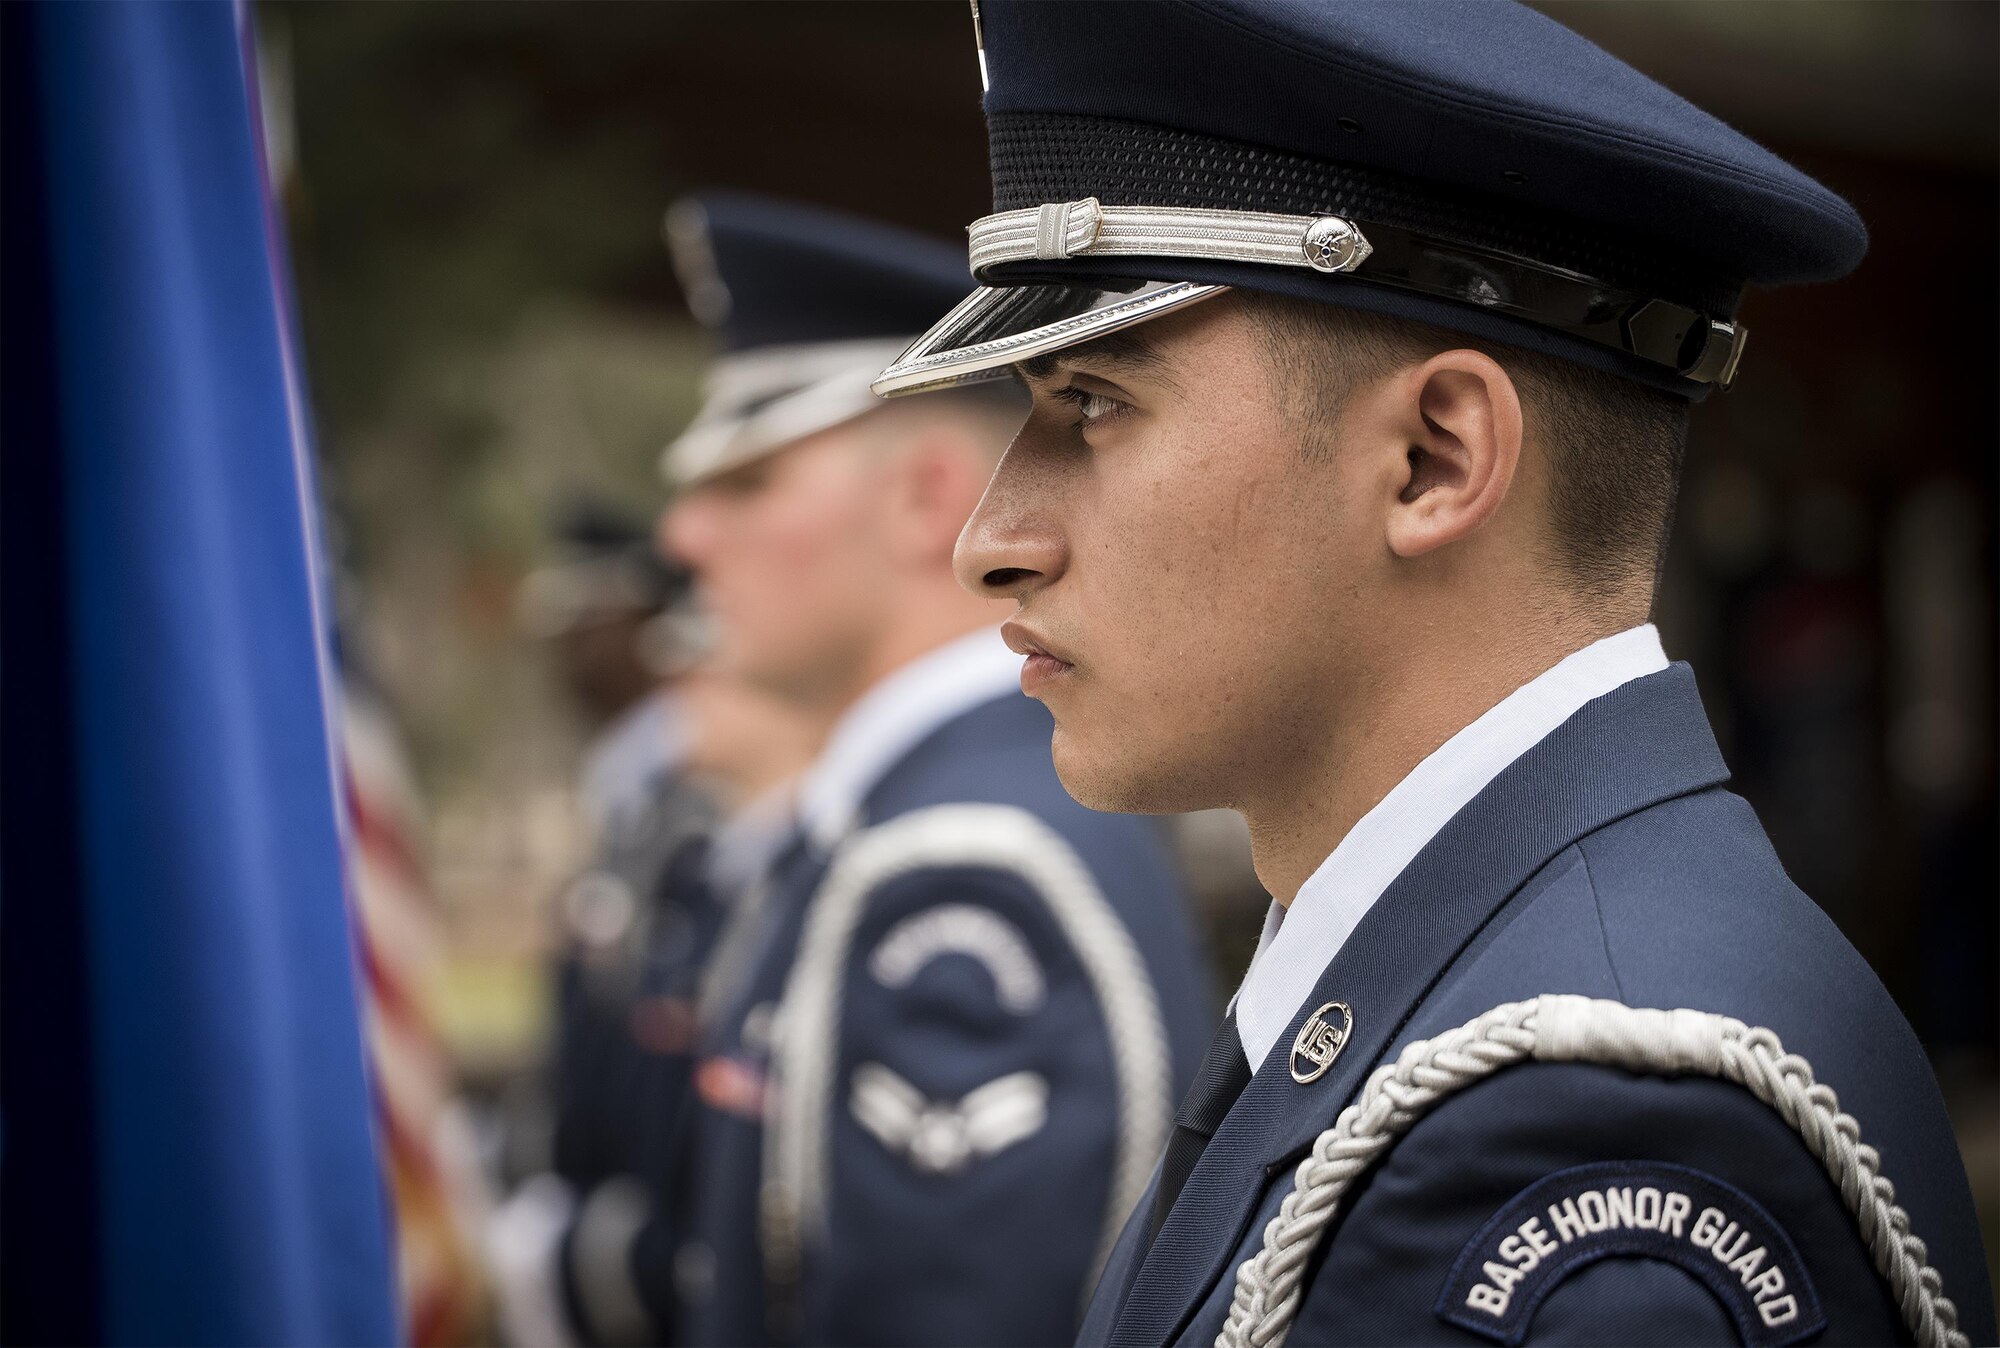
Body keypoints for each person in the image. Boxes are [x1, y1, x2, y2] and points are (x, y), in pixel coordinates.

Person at [873, 3, 1997, 1345]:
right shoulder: (1462, 985)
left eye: (1095, 403)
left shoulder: (1586, 1126)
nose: (990, 544)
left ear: (1435, 461)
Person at [658, 192, 1213, 1347]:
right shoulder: (920, 818)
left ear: (921, 497)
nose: (683, 536)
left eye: (746, 481)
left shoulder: (961, 866)